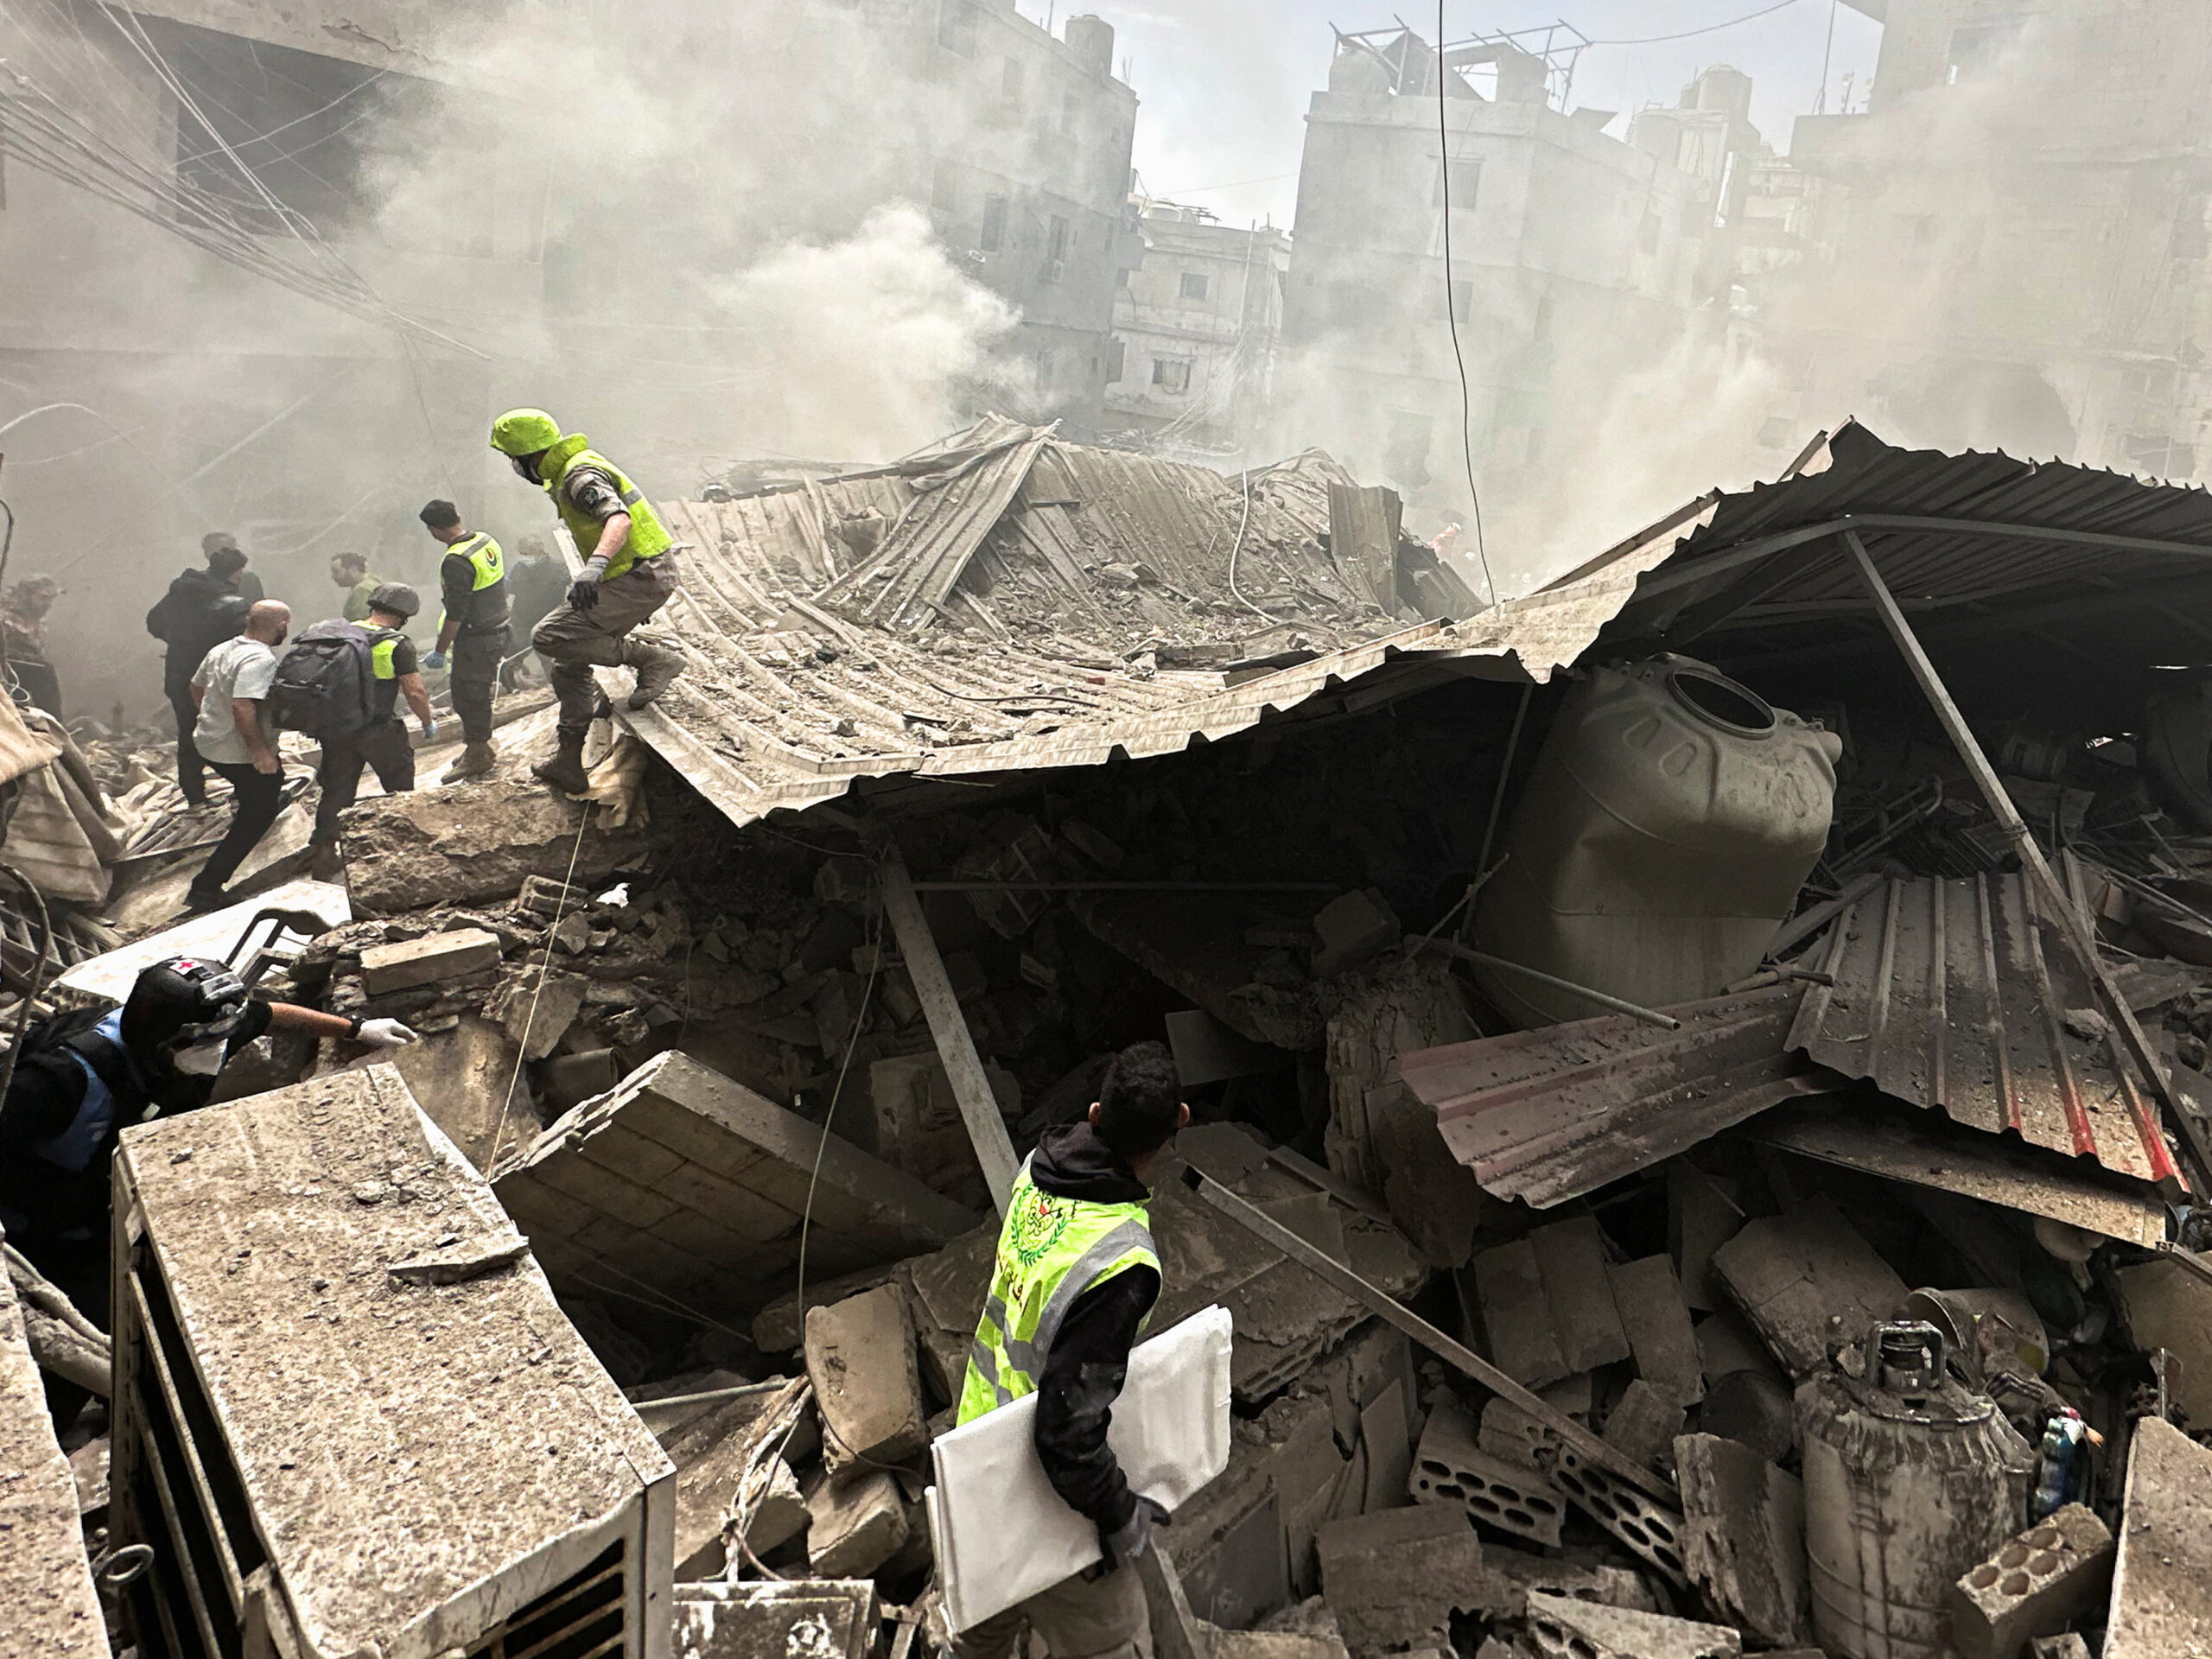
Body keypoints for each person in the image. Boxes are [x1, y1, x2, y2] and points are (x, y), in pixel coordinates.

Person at [0, 955, 417, 1419]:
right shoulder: (57, 1083)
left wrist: (356, 1029)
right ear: (158, 1041)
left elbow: (269, 1015)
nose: (217, 1053)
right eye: (206, 1044)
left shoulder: (195, 1030)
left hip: (101, 1208)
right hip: (35, 1229)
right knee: (66, 1358)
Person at [950, 1040, 1191, 1659]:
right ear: (1179, 1124)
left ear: (1093, 1114)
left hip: (977, 1444)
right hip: (1038, 1489)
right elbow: (1066, 1430)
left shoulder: (1039, 1167)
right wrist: (1118, 1514)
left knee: (982, 1623)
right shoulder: (1121, 1262)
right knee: (1115, 1637)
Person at [488, 409, 685, 793]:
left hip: (640, 576)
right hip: (632, 576)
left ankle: (651, 659)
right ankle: (568, 761)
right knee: (567, 664)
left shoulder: (580, 477)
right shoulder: (570, 471)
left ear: (530, 455)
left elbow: (619, 520)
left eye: (514, 459)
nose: (513, 467)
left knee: (547, 635)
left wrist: (594, 569)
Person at [307, 583, 439, 879]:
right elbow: (415, 692)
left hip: (338, 729)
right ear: (404, 615)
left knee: (336, 792)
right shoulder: (397, 644)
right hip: (378, 729)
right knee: (400, 788)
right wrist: (428, 722)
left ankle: (324, 854)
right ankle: (405, 848)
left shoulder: (341, 633)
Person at [185, 599, 290, 912]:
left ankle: (249, 798)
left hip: (208, 742)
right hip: (236, 751)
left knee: (266, 785)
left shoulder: (222, 649)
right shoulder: (260, 660)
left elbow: (195, 687)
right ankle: (206, 887)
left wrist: (211, 720)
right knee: (259, 811)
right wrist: (259, 751)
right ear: (281, 626)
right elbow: (243, 706)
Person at [146, 538, 258, 805]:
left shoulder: (179, 592)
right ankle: (244, 789)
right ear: (235, 573)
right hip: (212, 679)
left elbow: (153, 622)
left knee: (188, 734)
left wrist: (178, 642)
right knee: (232, 732)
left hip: (177, 673)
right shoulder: (230, 605)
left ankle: (194, 796)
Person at [416, 499, 508, 781]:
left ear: (433, 530)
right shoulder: (485, 540)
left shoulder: (455, 561)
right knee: (475, 692)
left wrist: (440, 651)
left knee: (469, 696)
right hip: (500, 627)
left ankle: (479, 754)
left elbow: (456, 613)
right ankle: (477, 747)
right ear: (458, 515)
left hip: (477, 638)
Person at [500, 535, 568, 690]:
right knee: (512, 657)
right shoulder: (519, 569)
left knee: (550, 660)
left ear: (539, 550)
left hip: (548, 622)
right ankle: (512, 691)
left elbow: (567, 593)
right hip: (522, 621)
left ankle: (558, 689)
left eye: (527, 553)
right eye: (522, 554)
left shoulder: (558, 567)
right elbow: (506, 590)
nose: (525, 557)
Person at [2, 575, 63, 716]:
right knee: (45, 673)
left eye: (51, 599)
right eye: (44, 598)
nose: (49, 604)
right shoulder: (6, 617)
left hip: (22, 675)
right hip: (7, 674)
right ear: (27, 596)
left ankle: (52, 725)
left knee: (45, 672)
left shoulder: (38, 620)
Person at [330, 552, 385, 624]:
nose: (333, 577)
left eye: (336, 571)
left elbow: (359, 624)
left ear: (353, 569)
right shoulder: (373, 582)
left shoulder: (362, 590)